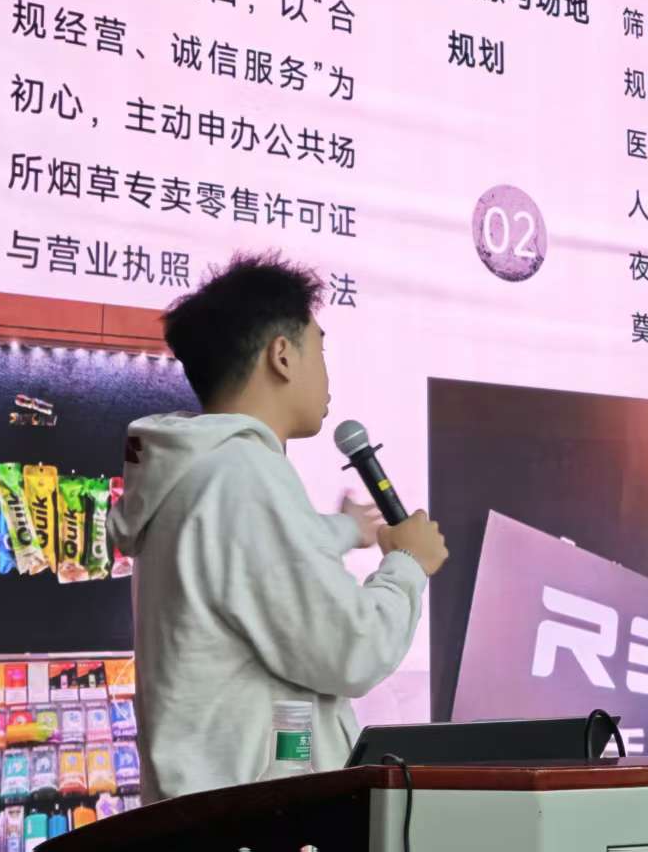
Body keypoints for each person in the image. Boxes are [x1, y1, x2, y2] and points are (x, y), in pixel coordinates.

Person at [110, 252, 449, 802]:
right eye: (321, 348)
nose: (327, 372)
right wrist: (407, 565)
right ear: (282, 356)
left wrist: (343, 531)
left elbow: (257, 578)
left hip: (226, 812)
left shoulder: (203, 473)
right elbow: (351, 647)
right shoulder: (242, 475)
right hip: (254, 819)